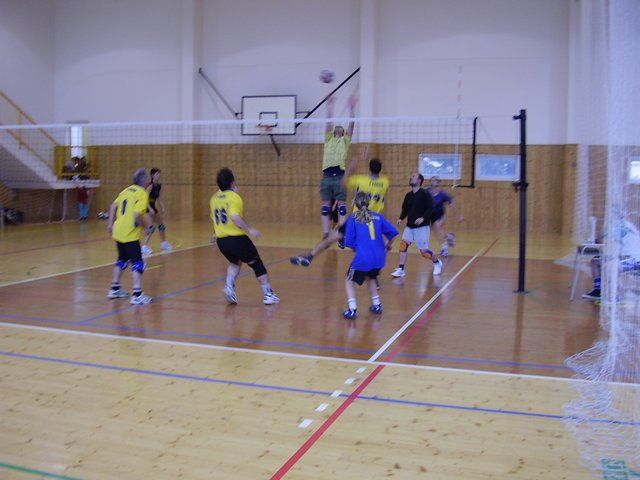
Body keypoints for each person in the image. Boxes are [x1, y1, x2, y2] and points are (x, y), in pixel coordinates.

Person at [290, 148, 389, 267]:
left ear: (369, 168)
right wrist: (368, 160)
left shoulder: (360, 180)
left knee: (332, 238)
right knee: (372, 243)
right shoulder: (385, 182)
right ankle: (373, 265)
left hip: (357, 218)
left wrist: (350, 169)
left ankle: (310, 256)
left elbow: (343, 182)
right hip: (373, 220)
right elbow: (375, 173)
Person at [210, 167, 279, 305]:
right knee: (256, 263)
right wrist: (250, 230)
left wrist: (214, 234)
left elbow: (217, 218)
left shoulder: (213, 199)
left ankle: (229, 287)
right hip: (237, 239)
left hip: (222, 241)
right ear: (232, 182)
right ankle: (268, 294)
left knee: (235, 262)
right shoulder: (235, 197)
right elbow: (235, 218)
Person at [342, 191, 398, 319]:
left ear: (355, 203)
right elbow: (393, 233)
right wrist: (388, 245)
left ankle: (352, 309)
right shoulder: (378, 216)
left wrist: (357, 249)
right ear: (368, 202)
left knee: (349, 281)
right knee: (371, 277)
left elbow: (349, 242)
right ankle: (377, 305)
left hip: (363, 258)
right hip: (379, 258)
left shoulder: (353, 218)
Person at [106, 168, 153, 305]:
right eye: (148, 178)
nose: (149, 180)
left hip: (118, 230)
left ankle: (114, 288)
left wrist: (110, 224)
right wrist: (145, 228)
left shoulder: (126, 190)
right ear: (144, 180)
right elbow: (136, 215)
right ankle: (137, 294)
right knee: (138, 262)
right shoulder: (142, 193)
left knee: (122, 259)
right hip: (129, 232)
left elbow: (113, 206)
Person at [391, 173, 443, 278]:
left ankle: (437, 262)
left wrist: (423, 218)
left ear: (419, 181)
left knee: (424, 252)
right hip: (409, 227)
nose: (410, 177)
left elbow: (431, 208)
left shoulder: (425, 194)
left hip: (422, 227)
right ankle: (401, 269)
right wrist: (401, 218)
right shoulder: (408, 195)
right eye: (411, 176)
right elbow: (405, 209)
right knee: (403, 245)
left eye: (413, 176)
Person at [319, 93, 357, 238]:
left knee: (341, 207)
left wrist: (352, 109)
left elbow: (352, 126)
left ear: (343, 132)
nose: (338, 127)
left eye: (341, 128)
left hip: (340, 175)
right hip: (327, 175)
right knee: (325, 206)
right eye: (337, 127)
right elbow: (328, 123)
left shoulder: (345, 141)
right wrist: (330, 105)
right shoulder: (328, 138)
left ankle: (342, 232)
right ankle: (326, 232)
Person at [582, 218, 640, 300]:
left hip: (634, 260)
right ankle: (598, 290)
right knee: (595, 261)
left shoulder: (621, 226)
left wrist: (597, 235)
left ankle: (615, 295)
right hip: (625, 257)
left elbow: (602, 240)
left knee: (610, 266)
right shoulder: (623, 224)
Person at [426, 176, 463, 257]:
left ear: (438, 182)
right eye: (431, 181)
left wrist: (458, 215)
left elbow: (452, 204)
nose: (432, 182)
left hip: (440, 215)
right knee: (437, 232)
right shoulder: (426, 191)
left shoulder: (443, 194)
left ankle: (444, 249)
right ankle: (449, 236)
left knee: (437, 227)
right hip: (430, 215)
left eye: (435, 181)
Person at [141, 168, 173, 256]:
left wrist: (163, 207)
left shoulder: (158, 186)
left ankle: (163, 243)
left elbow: (158, 198)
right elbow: (144, 198)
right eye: (157, 174)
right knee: (151, 227)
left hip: (153, 207)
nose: (158, 175)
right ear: (152, 175)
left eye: (159, 174)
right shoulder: (150, 185)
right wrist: (149, 208)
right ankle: (144, 247)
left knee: (161, 225)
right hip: (146, 207)